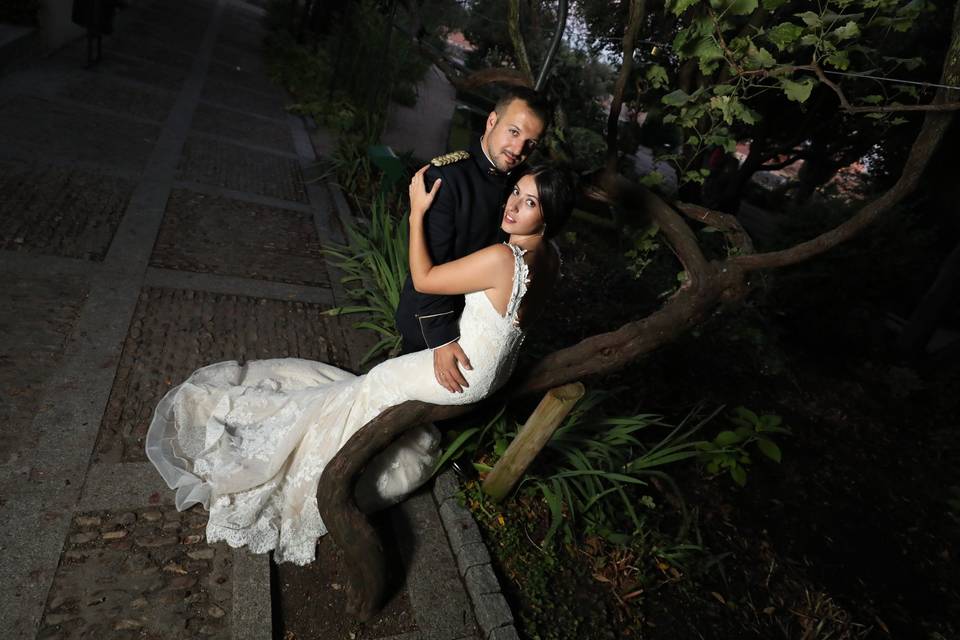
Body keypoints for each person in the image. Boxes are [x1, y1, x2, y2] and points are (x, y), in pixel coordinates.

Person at [145, 162, 574, 566]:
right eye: (515, 192)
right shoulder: (551, 258)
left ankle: (310, 476)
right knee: (369, 385)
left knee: (375, 383)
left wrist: (417, 215)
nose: (513, 205)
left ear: (548, 215)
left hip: (463, 373)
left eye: (530, 202)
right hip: (487, 372)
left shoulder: (503, 260)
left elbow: (425, 279)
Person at [395, 86, 551, 394]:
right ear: (492, 121)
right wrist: (441, 339)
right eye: (513, 131)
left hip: (478, 328)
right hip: (431, 327)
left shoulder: (522, 181)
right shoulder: (446, 178)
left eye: (529, 143)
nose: (518, 149)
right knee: (397, 407)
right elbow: (429, 264)